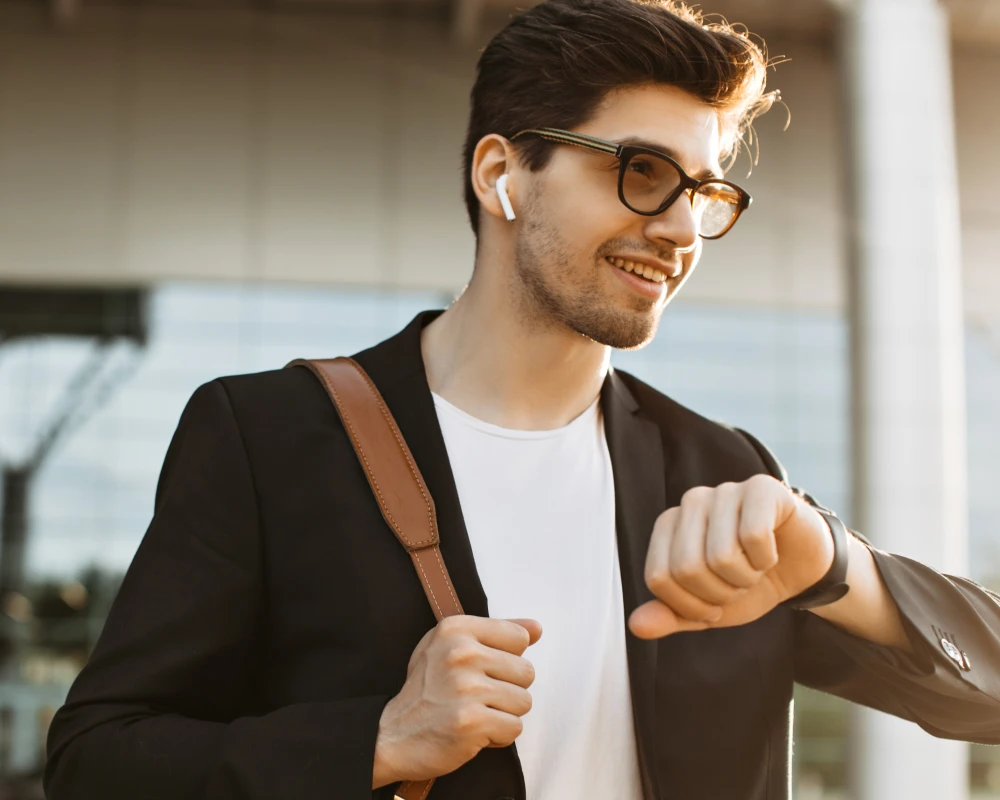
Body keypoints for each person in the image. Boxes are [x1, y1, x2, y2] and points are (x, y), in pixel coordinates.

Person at [44, 1, 1000, 798]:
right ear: (501, 174)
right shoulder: (268, 436)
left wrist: (836, 565)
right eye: (641, 172)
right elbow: (95, 761)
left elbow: (985, 696)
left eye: (703, 192)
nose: (679, 229)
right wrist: (375, 739)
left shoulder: (721, 475)